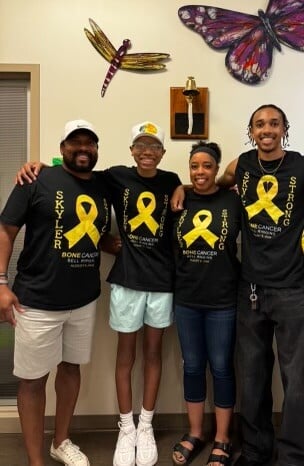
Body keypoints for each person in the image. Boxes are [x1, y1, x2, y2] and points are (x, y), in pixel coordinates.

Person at [16, 121, 181, 466]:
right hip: (116, 283)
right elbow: (75, 172)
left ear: (163, 153)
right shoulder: (113, 176)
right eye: (140, 145)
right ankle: (125, 428)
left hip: (146, 285)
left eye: (154, 146)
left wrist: (186, 189)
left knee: (142, 357)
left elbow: (194, 191)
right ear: (131, 150)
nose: (147, 151)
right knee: (119, 359)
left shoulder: (170, 181)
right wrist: (44, 165)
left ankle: (144, 427)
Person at [172, 104, 304, 466]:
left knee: (296, 380)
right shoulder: (240, 166)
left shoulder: (301, 167)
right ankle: (258, 449)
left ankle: (293, 456)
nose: (267, 130)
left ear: (284, 129)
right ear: (251, 130)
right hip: (250, 288)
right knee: (252, 377)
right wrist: (180, 188)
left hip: (293, 289)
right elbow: (210, 185)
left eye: (274, 123)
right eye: (260, 124)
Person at [0, 119, 112, 466]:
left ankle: (60, 441)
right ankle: (36, 460)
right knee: (32, 381)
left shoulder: (102, 186)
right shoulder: (37, 179)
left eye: (89, 143)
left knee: (71, 369)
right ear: (62, 148)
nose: (82, 149)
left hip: (83, 299)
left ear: (96, 149)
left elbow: (92, 232)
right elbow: (6, 230)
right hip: (36, 300)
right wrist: (0, 283)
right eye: (74, 143)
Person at [171, 141, 241, 466]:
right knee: (193, 366)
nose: (200, 172)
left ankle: (223, 437)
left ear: (217, 168)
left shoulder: (232, 200)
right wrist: (178, 187)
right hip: (186, 299)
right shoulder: (179, 200)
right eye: (195, 166)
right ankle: (196, 431)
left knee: (223, 367)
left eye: (207, 166)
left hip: (223, 299)